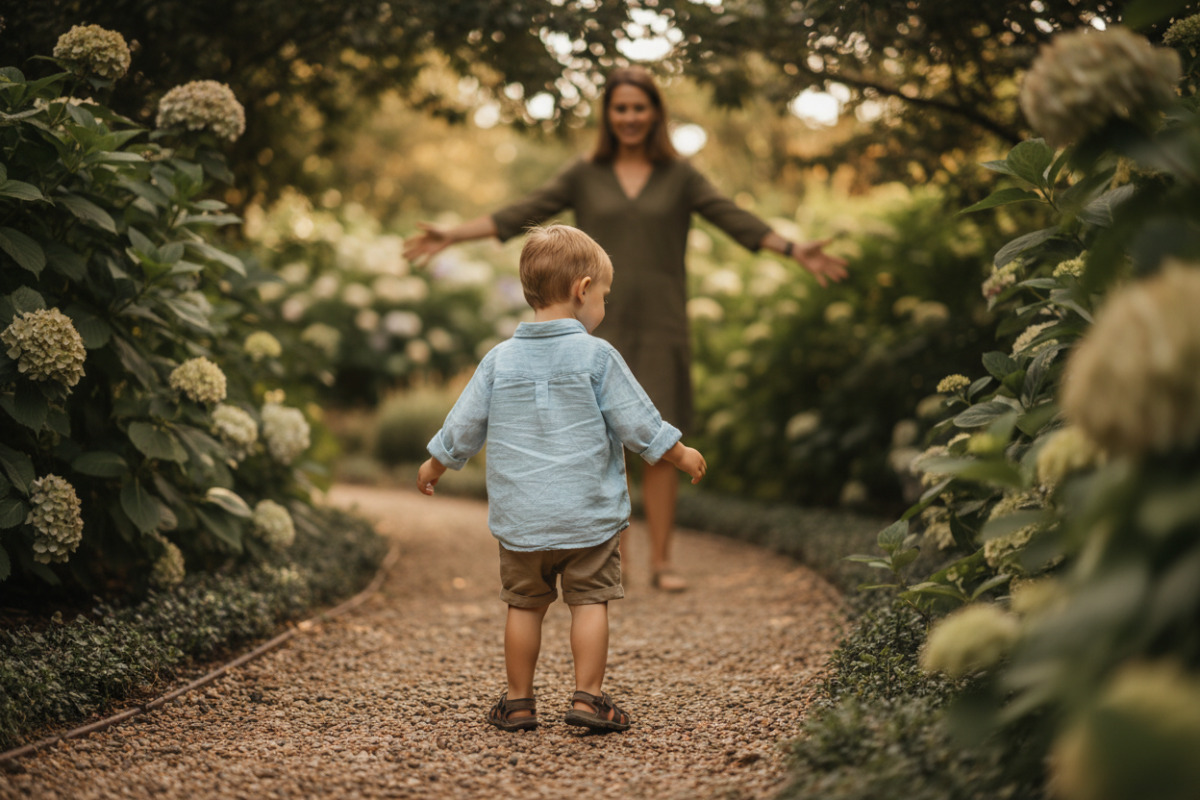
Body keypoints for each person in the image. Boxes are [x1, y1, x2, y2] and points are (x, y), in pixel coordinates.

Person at [406, 65, 846, 592]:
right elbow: (522, 212)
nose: (631, 117)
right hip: (588, 329)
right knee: (599, 435)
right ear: (608, 115)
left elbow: (733, 217)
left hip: (661, 322)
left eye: (640, 107)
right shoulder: (583, 174)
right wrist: (453, 235)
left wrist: (795, 249)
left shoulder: (680, 176)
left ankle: (662, 562)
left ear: (656, 113)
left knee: (657, 434)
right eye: (621, 108)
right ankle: (615, 559)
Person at [416, 224, 706, 733]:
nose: (604, 307)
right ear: (582, 289)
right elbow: (638, 421)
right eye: (604, 296)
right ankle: (589, 699)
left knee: (524, 608)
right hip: (587, 518)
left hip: (521, 522)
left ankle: (519, 702)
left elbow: (464, 424)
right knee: (589, 602)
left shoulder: (499, 360)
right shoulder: (597, 356)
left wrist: (437, 462)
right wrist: (678, 453)